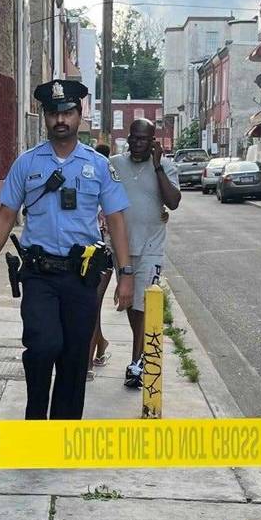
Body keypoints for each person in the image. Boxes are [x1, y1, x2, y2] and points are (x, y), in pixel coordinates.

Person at [0, 79, 135, 419]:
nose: (60, 120)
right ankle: (36, 420)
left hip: (81, 277)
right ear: (45, 118)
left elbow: (117, 220)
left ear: (79, 114)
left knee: (75, 356)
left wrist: (126, 274)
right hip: (39, 274)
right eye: (53, 113)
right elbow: (5, 217)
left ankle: (63, 432)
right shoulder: (27, 164)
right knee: (43, 346)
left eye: (67, 112)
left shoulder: (99, 166)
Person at [108, 118, 181, 387]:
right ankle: (139, 355)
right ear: (128, 138)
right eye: (134, 138)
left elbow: (172, 202)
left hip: (151, 246)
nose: (138, 143)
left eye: (144, 139)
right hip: (123, 247)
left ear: (153, 142)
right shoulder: (115, 164)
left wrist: (159, 166)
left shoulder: (166, 167)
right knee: (130, 303)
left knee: (143, 303)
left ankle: (137, 362)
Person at [87, 143, 114, 382]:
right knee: (89, 305)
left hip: (106, 252)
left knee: (93, 304)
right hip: (87, 252)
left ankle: (86, 362)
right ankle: (101, 343)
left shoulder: (110, 179)